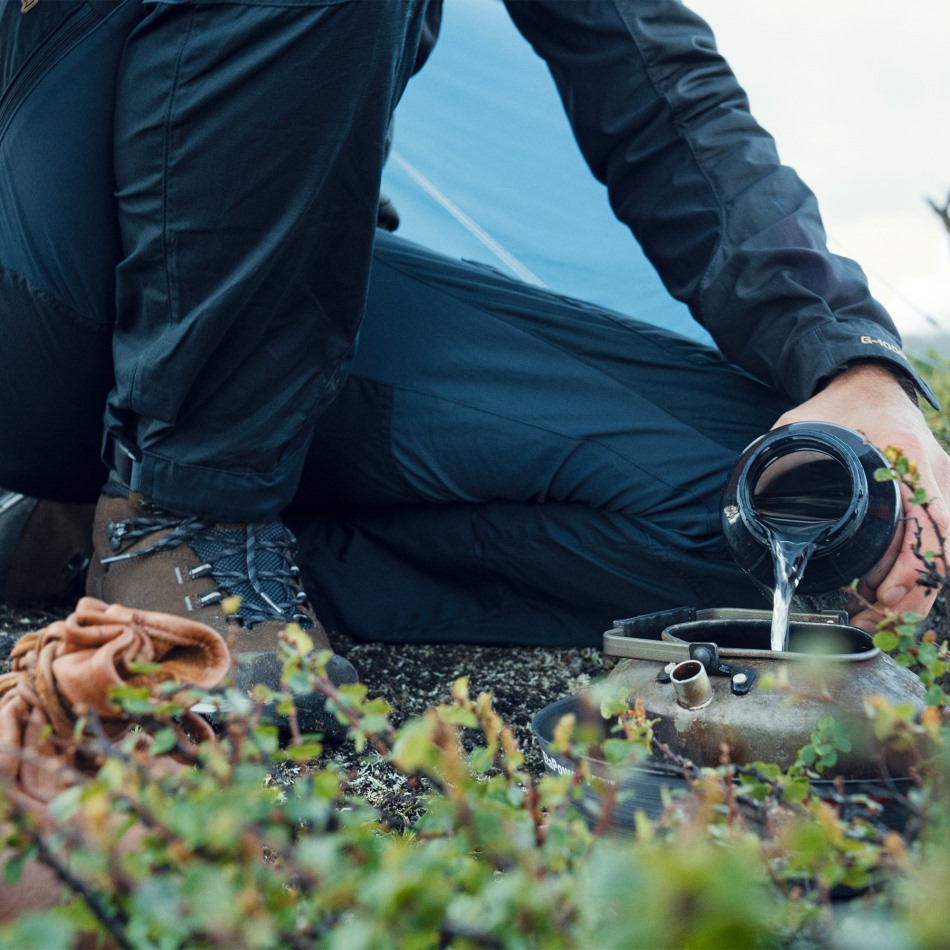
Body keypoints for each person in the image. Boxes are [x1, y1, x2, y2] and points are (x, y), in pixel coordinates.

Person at [1, 0, 947, 732]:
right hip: (36, 273)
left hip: (258, 300)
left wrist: (851, 362)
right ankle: (181, 523)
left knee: (783, 506)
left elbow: (664, 95)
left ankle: (91, 531)